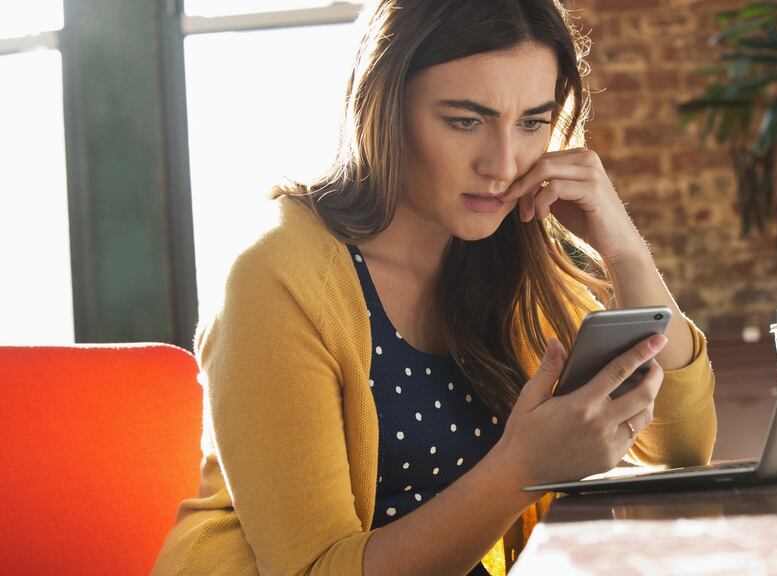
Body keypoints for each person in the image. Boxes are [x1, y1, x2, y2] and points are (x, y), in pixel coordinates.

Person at [152, 1, 716, 575]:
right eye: (465, 121)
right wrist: (521, 469)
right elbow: (311, 570)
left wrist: (624, 251)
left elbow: (681, 448)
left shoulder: (505, 252)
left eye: (531, 122)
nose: (502, 164)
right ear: (384, 108)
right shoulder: (276, 275)